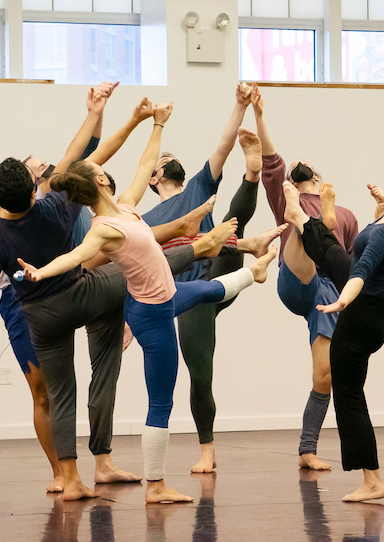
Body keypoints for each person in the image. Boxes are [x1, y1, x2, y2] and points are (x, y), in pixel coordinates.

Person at [0, 93, 221, 501]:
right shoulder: (55, 205)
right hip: (80, 292)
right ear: (35, 189)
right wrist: (130, 119)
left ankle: (71, 480)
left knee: (61, 392)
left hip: (40, 315)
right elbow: (87, 156)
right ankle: (198, 246)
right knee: (139, 271)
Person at [17, 101, 278, 503]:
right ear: (100, 181)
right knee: (162, 400)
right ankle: (155, 486)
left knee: (209, 289)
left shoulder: (125, 208)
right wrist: (41, 272)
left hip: (163, 298)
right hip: (152, 315)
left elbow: (143, 167)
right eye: (101, 170)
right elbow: (74, 257)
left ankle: (253, 272)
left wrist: (157, 125)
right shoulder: (103, 229)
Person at [139, 82, 268, 474]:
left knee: (230, 223)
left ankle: (252, 172)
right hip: (188, 295)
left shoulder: (197, 185)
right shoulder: (147, 223)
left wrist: (239, 105)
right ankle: (207, 450)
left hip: (219, 268)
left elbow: (224, 144)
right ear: (153, 177)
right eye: (163, 159)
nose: (170, 158)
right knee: (200, 373)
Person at [305, 151, 384, 501]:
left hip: (362, 311)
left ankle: (373, 480)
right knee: (330, 249)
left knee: (348, 395)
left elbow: (360, 273)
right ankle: (308, 223)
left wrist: (341, 301)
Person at [250, 83, 359, 471]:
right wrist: (260, 115)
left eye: (307, 168)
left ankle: (307, 450)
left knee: (325, 375)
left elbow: (351, 262)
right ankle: (303, 222)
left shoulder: (345, 214)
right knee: (300, 227)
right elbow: (272, 163)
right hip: (296, 276)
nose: (300, 166)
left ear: (320, 178)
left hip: (327, 294)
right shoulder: (284, 191)